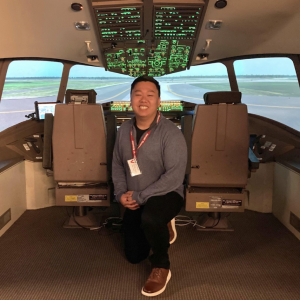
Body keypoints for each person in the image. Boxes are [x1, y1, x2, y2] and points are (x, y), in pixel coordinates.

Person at [112, 76, 187, 297]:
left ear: (159, 101)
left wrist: (140, 196)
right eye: (138, 94)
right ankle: (161, 226)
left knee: (152, 217)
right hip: (136, 195)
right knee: (134, 256)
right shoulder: (123, 131)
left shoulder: (171, 133)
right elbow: (118, 164)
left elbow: (174, 177)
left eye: (150, 95)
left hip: (166, 193)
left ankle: (161, 266)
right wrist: (120, 194)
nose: (143, 99)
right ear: (131, 99)